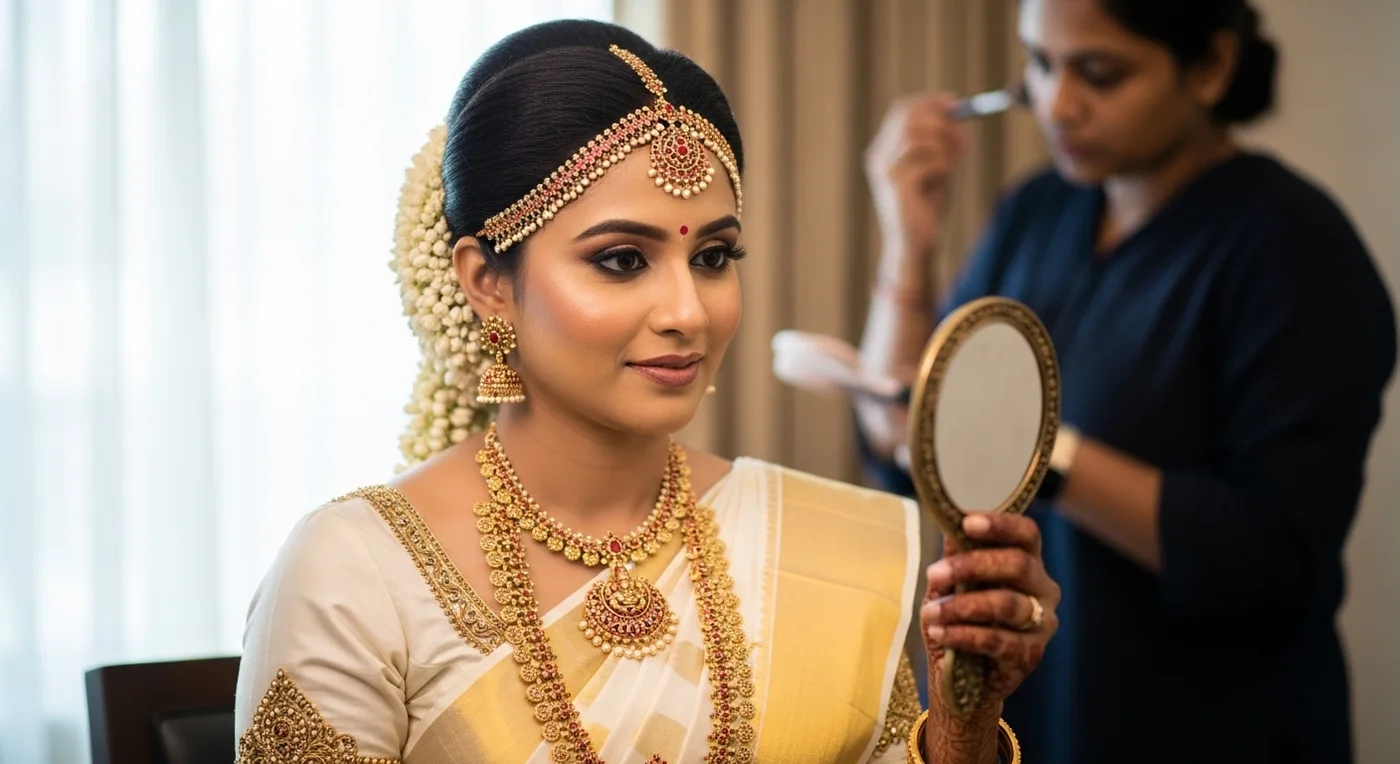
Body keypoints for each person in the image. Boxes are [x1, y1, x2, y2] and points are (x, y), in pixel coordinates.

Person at [233, 19, 1060, 764]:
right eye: (622, 259)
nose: (688, 311)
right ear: (488, 281)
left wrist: (964, 719)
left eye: (713, 258)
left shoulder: (826, 548)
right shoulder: (353, 573)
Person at [857, 1, 1397, 763]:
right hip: (1038, 712)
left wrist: (1038, 450)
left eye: (1099, 74)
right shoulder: (1037, 210)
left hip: (1207, 723)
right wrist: (908, 241)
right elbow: (909, 442)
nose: (1056, 103)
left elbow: (1274, 556)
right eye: (1039, 64)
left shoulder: (1296, 251)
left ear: (1209, 67)